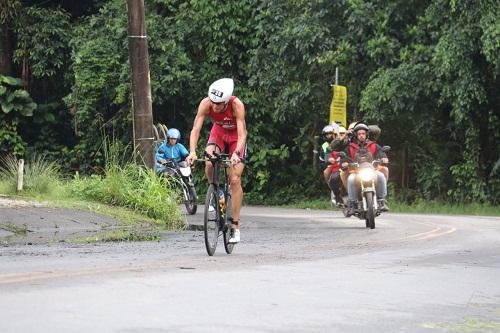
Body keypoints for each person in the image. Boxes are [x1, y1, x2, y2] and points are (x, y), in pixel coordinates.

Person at [186, 78, 247, 243]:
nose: (214, 106)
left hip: (236, 138)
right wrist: (192, 151)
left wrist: (236, 153)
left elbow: (242, 134)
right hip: (218, 133)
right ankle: (216, 192)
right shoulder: (206, 104)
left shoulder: (237, 105)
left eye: (218, 103)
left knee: (234, 179)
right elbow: (195, 129)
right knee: (208, 162)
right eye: (212, 102)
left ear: (226, 102)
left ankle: (235, 225)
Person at [341, 122, 389, 215]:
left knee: (382, 176)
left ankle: (382, 200)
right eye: (359, 134)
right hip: (356, 172)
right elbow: (344, 158)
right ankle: (353, 203)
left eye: (363, 134)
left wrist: (384, 158)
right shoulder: (350, 147)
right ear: (356, 135)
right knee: (350, 179)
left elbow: (381, 153)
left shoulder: (373, 145)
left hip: (372, 171)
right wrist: (344, 163)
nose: (361, 136)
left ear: (366, 135)